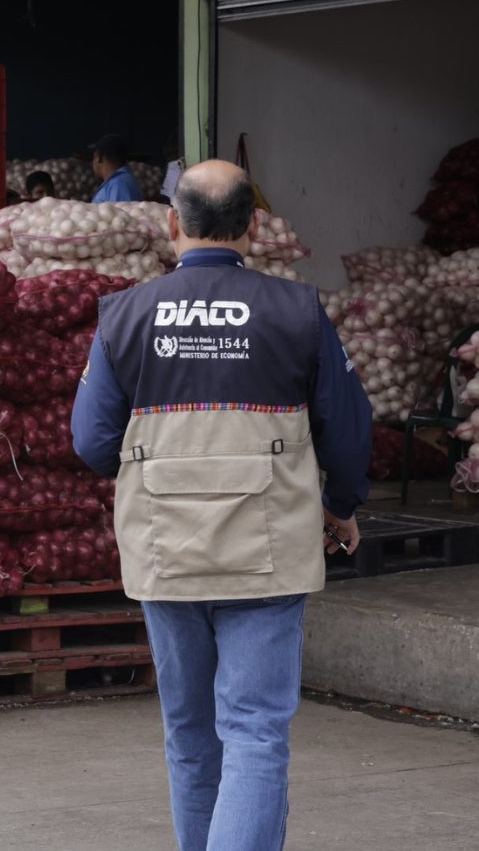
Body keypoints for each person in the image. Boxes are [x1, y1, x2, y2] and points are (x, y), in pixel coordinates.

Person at [70, 159, 372, 851]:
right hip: (268, 549)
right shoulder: (297, 310)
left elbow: (91, 440)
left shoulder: (125, 315)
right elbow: (348, 429)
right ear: (254, 227)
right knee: (256, 732)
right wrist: (341, 504)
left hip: (164, 548)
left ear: (172, 223)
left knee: (188, 731)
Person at [89, 134, 144, 203]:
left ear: (99, 158)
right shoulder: (117, 182)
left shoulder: (119, 184)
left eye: (94, 157)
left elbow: (119, 213)